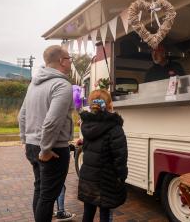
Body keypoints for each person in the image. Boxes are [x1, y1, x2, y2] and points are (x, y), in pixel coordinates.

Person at [18, 45, 74, 222]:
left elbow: (22, 115)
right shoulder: (62, 85)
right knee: (48, 197)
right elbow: (52, 122)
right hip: (52, 150)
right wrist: (46, 149)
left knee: (40, 190)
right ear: (61, 61)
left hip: (33, 146)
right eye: (69, 58)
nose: (71, 61)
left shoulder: (33, 85)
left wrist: (25, 140)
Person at [78, 89, 128, 222]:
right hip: (106, 180)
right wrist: (121, 177)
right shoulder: (115, 128)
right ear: (110, 105)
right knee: (105, 214)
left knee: (88, 213)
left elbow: (87, 149)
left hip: (88, 177)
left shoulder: (87, 125)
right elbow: (120, 157)